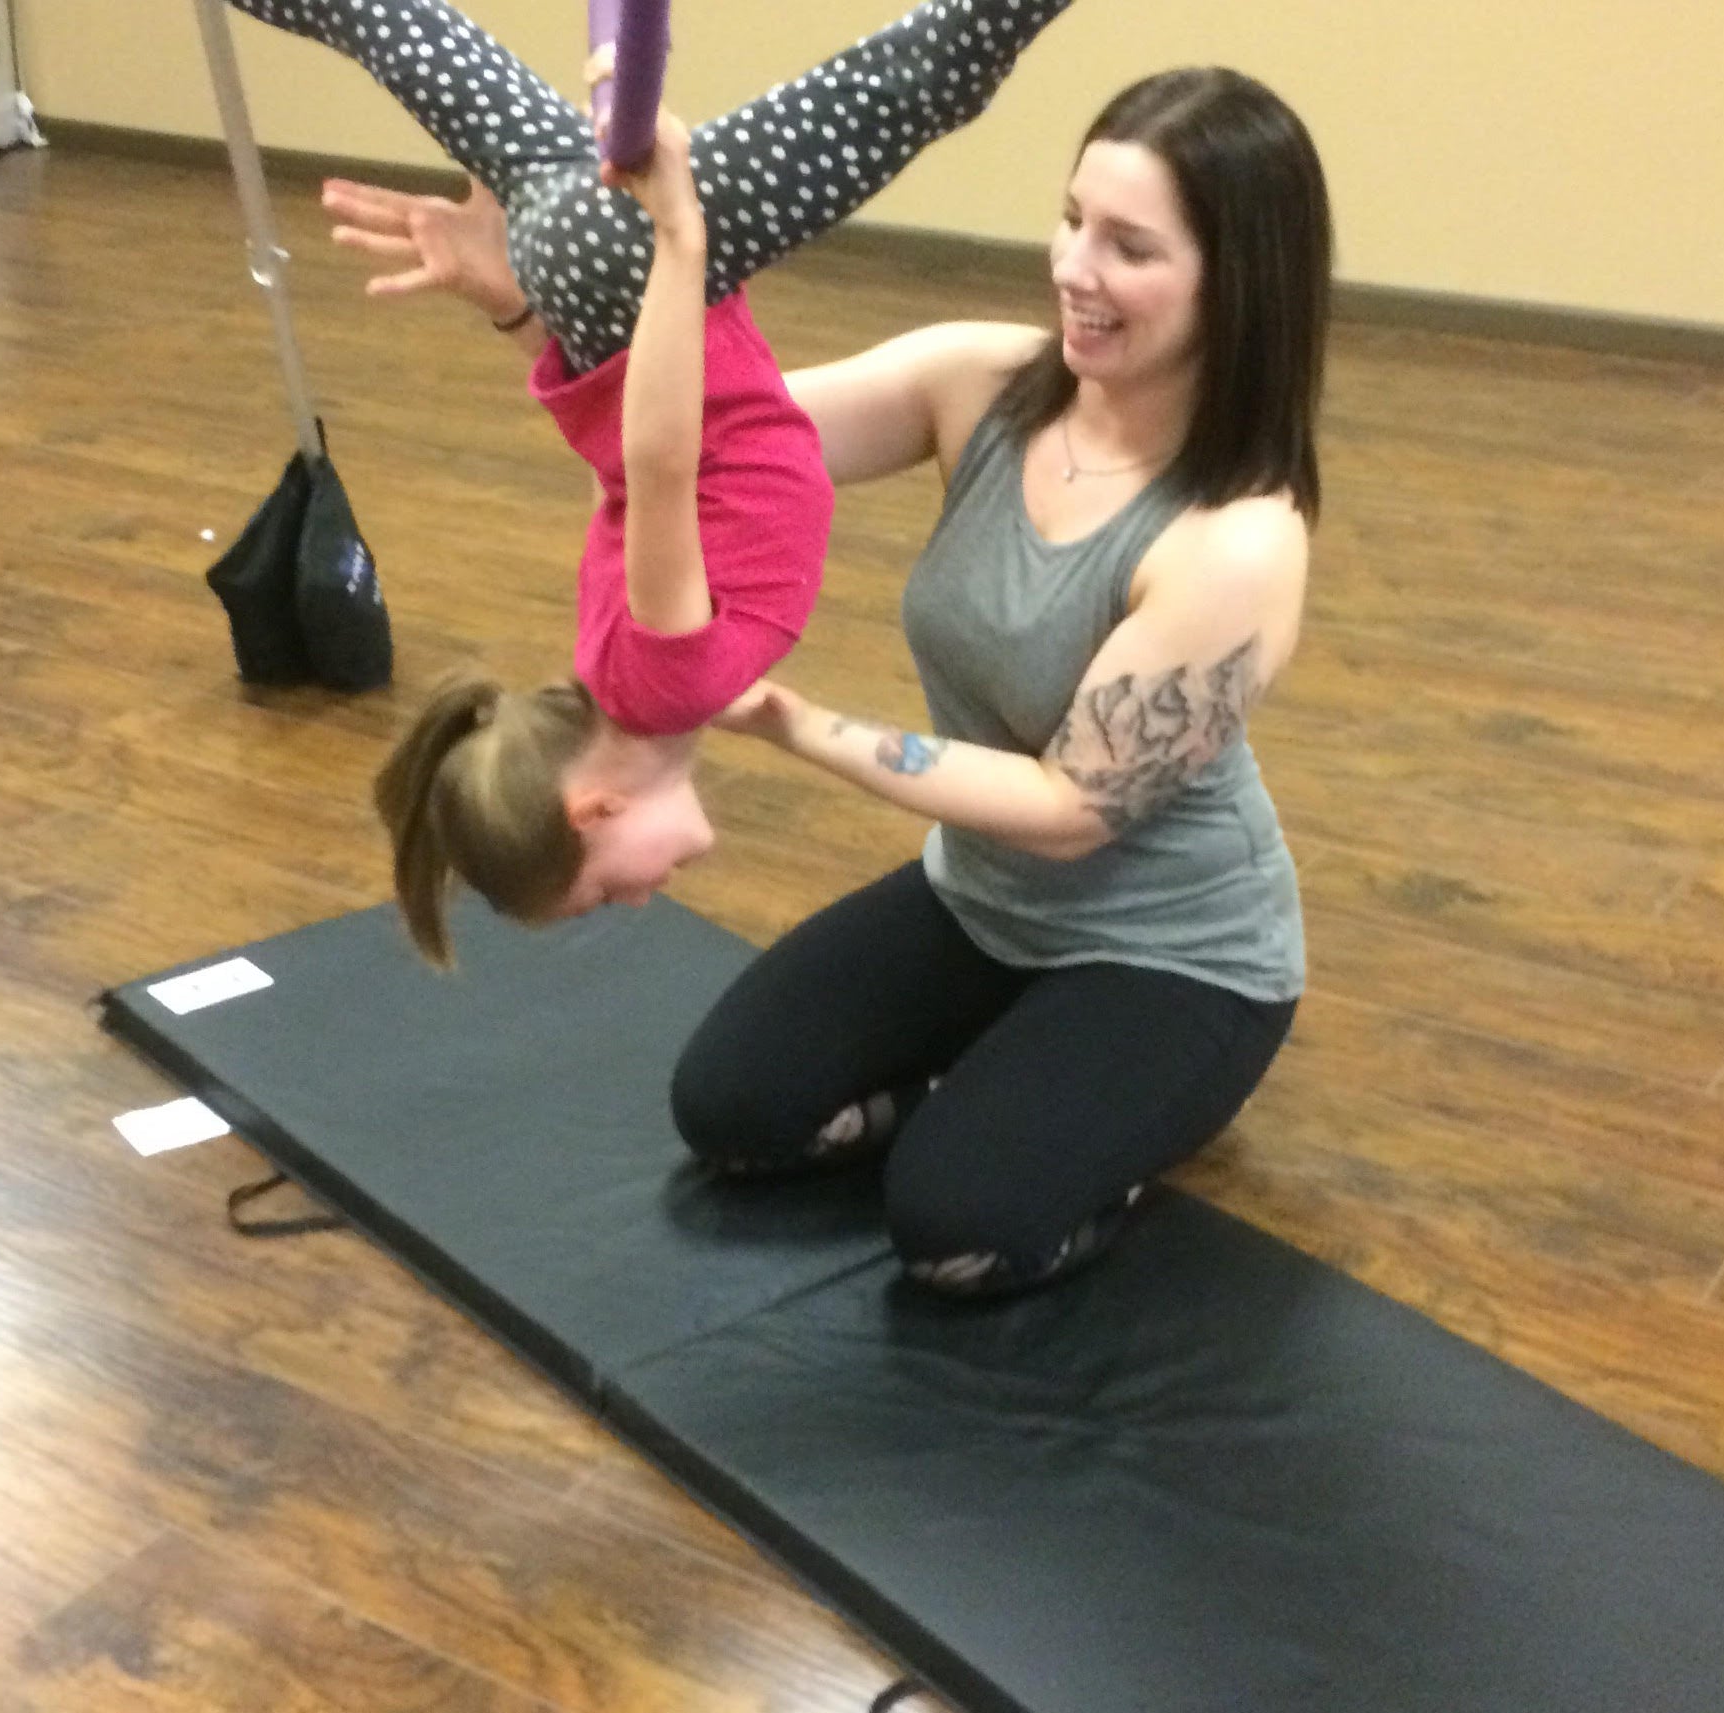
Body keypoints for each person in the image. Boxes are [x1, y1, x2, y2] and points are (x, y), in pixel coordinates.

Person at [330, 58, 1333, 1295]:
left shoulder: (1236, 541)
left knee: (958, 1230)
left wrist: (802, 724)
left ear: (1238, 284)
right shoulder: (986, 383)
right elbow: (701, 452)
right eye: (1074, 219)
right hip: (982, 901)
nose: (1075, 268)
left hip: (1174, 952)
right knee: (732, 1110)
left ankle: (1080, 1121)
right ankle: (998, 1080)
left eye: (1130, 247)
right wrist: (525, 313)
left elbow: (1073, 813)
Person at [221, 0, 1078, 962]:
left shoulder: (665, 688)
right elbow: (618, 464)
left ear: (595, 809)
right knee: (388, 25)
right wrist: (517, 304)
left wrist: (679, 242)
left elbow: (658, 461)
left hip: (624, 265)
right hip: (582, 278)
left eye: (599, 892)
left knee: (921, 81)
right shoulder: (607, 670)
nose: (636, 901)